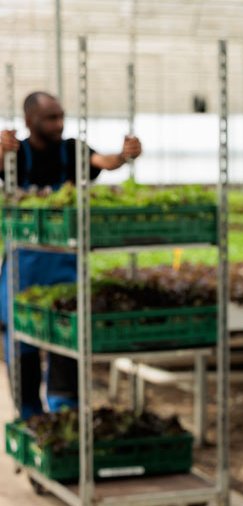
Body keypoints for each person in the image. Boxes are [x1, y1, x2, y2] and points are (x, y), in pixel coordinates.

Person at [0, 91, 142, 418]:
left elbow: (103, 161)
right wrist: (2, 148)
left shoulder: (73, 150)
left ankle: (65, 413)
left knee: (67, 341)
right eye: (51, 118)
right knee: (22, 350)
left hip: (65, 271)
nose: (59, 124)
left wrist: (124, 156)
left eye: (61, 116)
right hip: (23, 272)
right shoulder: (16, 154)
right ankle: (30, 417)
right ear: (30, 121)